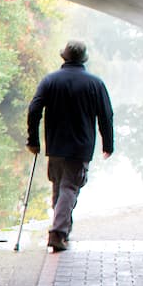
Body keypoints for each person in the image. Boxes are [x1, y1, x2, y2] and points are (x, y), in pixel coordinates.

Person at [26, 40, 114, 252]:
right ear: (83, 59)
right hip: (80, 147)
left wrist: (33, 140)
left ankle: (63, 229)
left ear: (64, 57)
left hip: (55, 145)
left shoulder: (50, 81)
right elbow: (106, 116)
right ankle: (58, 233)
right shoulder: (95, 84)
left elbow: (34, 109)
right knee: (69, 188)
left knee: (60, 188)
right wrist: (108, 144)